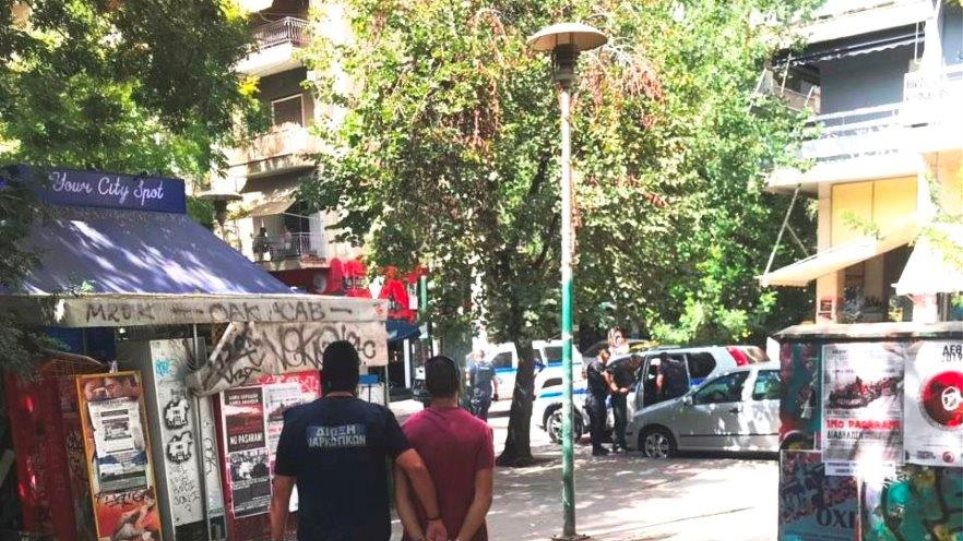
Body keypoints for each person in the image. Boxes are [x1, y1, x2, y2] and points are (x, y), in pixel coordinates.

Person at [270, 341, 447, 541]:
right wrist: (434, 518)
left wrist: (277, 538)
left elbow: (280, 494)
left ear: (323, 377)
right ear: (356, 378)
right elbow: (415, 466)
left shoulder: (296, 422)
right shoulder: (378, 418)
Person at [396, 355, 495, 541]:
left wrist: (418, 537)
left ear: (427, 386)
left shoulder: (407, 431)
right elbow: (484, 496)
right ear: (458, 384)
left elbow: (402, 497)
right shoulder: (481, 432)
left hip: (422, 534)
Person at [606, 354, 642, 452]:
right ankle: (616, 444)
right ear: (632, 361)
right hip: (617, 396)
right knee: (619, 420)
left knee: (623, 421)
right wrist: (616, 389)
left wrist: (628, 388)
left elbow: (633, 382)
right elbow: (608, 376)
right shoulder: (620, 367)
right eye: (637, 364)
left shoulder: (631, 370)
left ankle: (621, 443)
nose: (638, 367)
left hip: (623, 397)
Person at [584, 348, 611, 456]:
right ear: (602, 355)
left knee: (601, 423)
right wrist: (609, 384)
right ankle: (596, 448)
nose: (607, 360)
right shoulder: (595, 365)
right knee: (596, 424)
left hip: (600, 398)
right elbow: (604, 377)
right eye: (607, 358)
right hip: (594, 398)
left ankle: (598, 446)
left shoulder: (602, 366)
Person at [467, 350, 499, 421]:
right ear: (483, 355)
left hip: (476, 397)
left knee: (476, 419)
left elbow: (467, 378)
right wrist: (496, 394)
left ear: (475, 356)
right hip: (487, 397)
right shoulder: (490, 365)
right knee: (484, 417)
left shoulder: (473, 366)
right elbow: (496, 381)